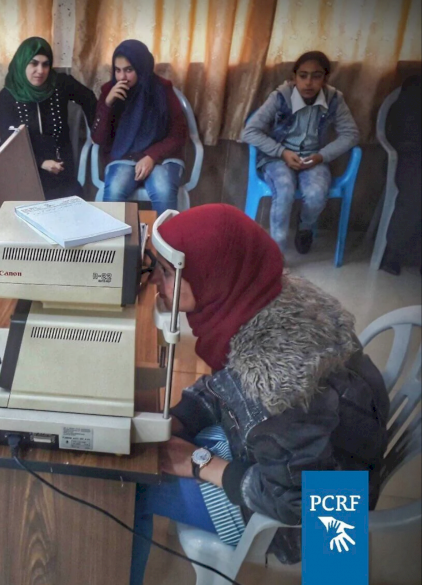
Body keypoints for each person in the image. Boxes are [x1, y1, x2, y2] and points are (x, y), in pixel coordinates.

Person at [129, 204, 388, 584]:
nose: (156, 283)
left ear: (213, 276)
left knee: (130, 484)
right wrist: (181, 419)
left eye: (169, 273)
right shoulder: (264, 298)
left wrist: (198, 462)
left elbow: (296, 501)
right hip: (328, 454)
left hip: (323, 515)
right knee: (151, 456)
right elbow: (226, 387)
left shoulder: (276, 379)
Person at [242, 51, 359, 254]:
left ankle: (305, 227)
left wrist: (321, 156)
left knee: (315, 194)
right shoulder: (281, 96)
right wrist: (282, 152)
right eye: (303, 75)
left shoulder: (333, 99)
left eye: (316, 76)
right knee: (285, 189)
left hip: (314, 158)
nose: (308, 83)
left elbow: (351, 134)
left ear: (325, 78)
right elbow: (250, 132)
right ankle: (275, 252)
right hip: (278, 157)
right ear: (294, 76)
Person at [91, 40, 188, 214]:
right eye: (118, 70)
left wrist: (152, 156)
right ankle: (115, 241)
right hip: (124, 155)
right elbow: (98, 138)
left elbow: (179, 134)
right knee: (114, 191)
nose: (122, 77)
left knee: (163, 189)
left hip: (161, 156)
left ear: (141, 67)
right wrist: (107, 104)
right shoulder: (109, 91)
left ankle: (162, 240)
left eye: (129, 70)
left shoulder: (162, 89)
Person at [0, 37, 97, 200]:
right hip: (26, 171)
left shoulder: (59, 83)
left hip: (61, 169)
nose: (41, 70)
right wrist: (41, 163)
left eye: (45, 64)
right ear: (22, 63)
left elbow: (89, 98)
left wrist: (95, 131)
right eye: (34, 63)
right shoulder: (7, 96)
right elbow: (8, 143)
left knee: (73, 206)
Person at [380, 75, 421, 275]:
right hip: (412, 153)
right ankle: (394, 252)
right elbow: (405, 130)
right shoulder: (415, 85)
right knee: (415, 193)